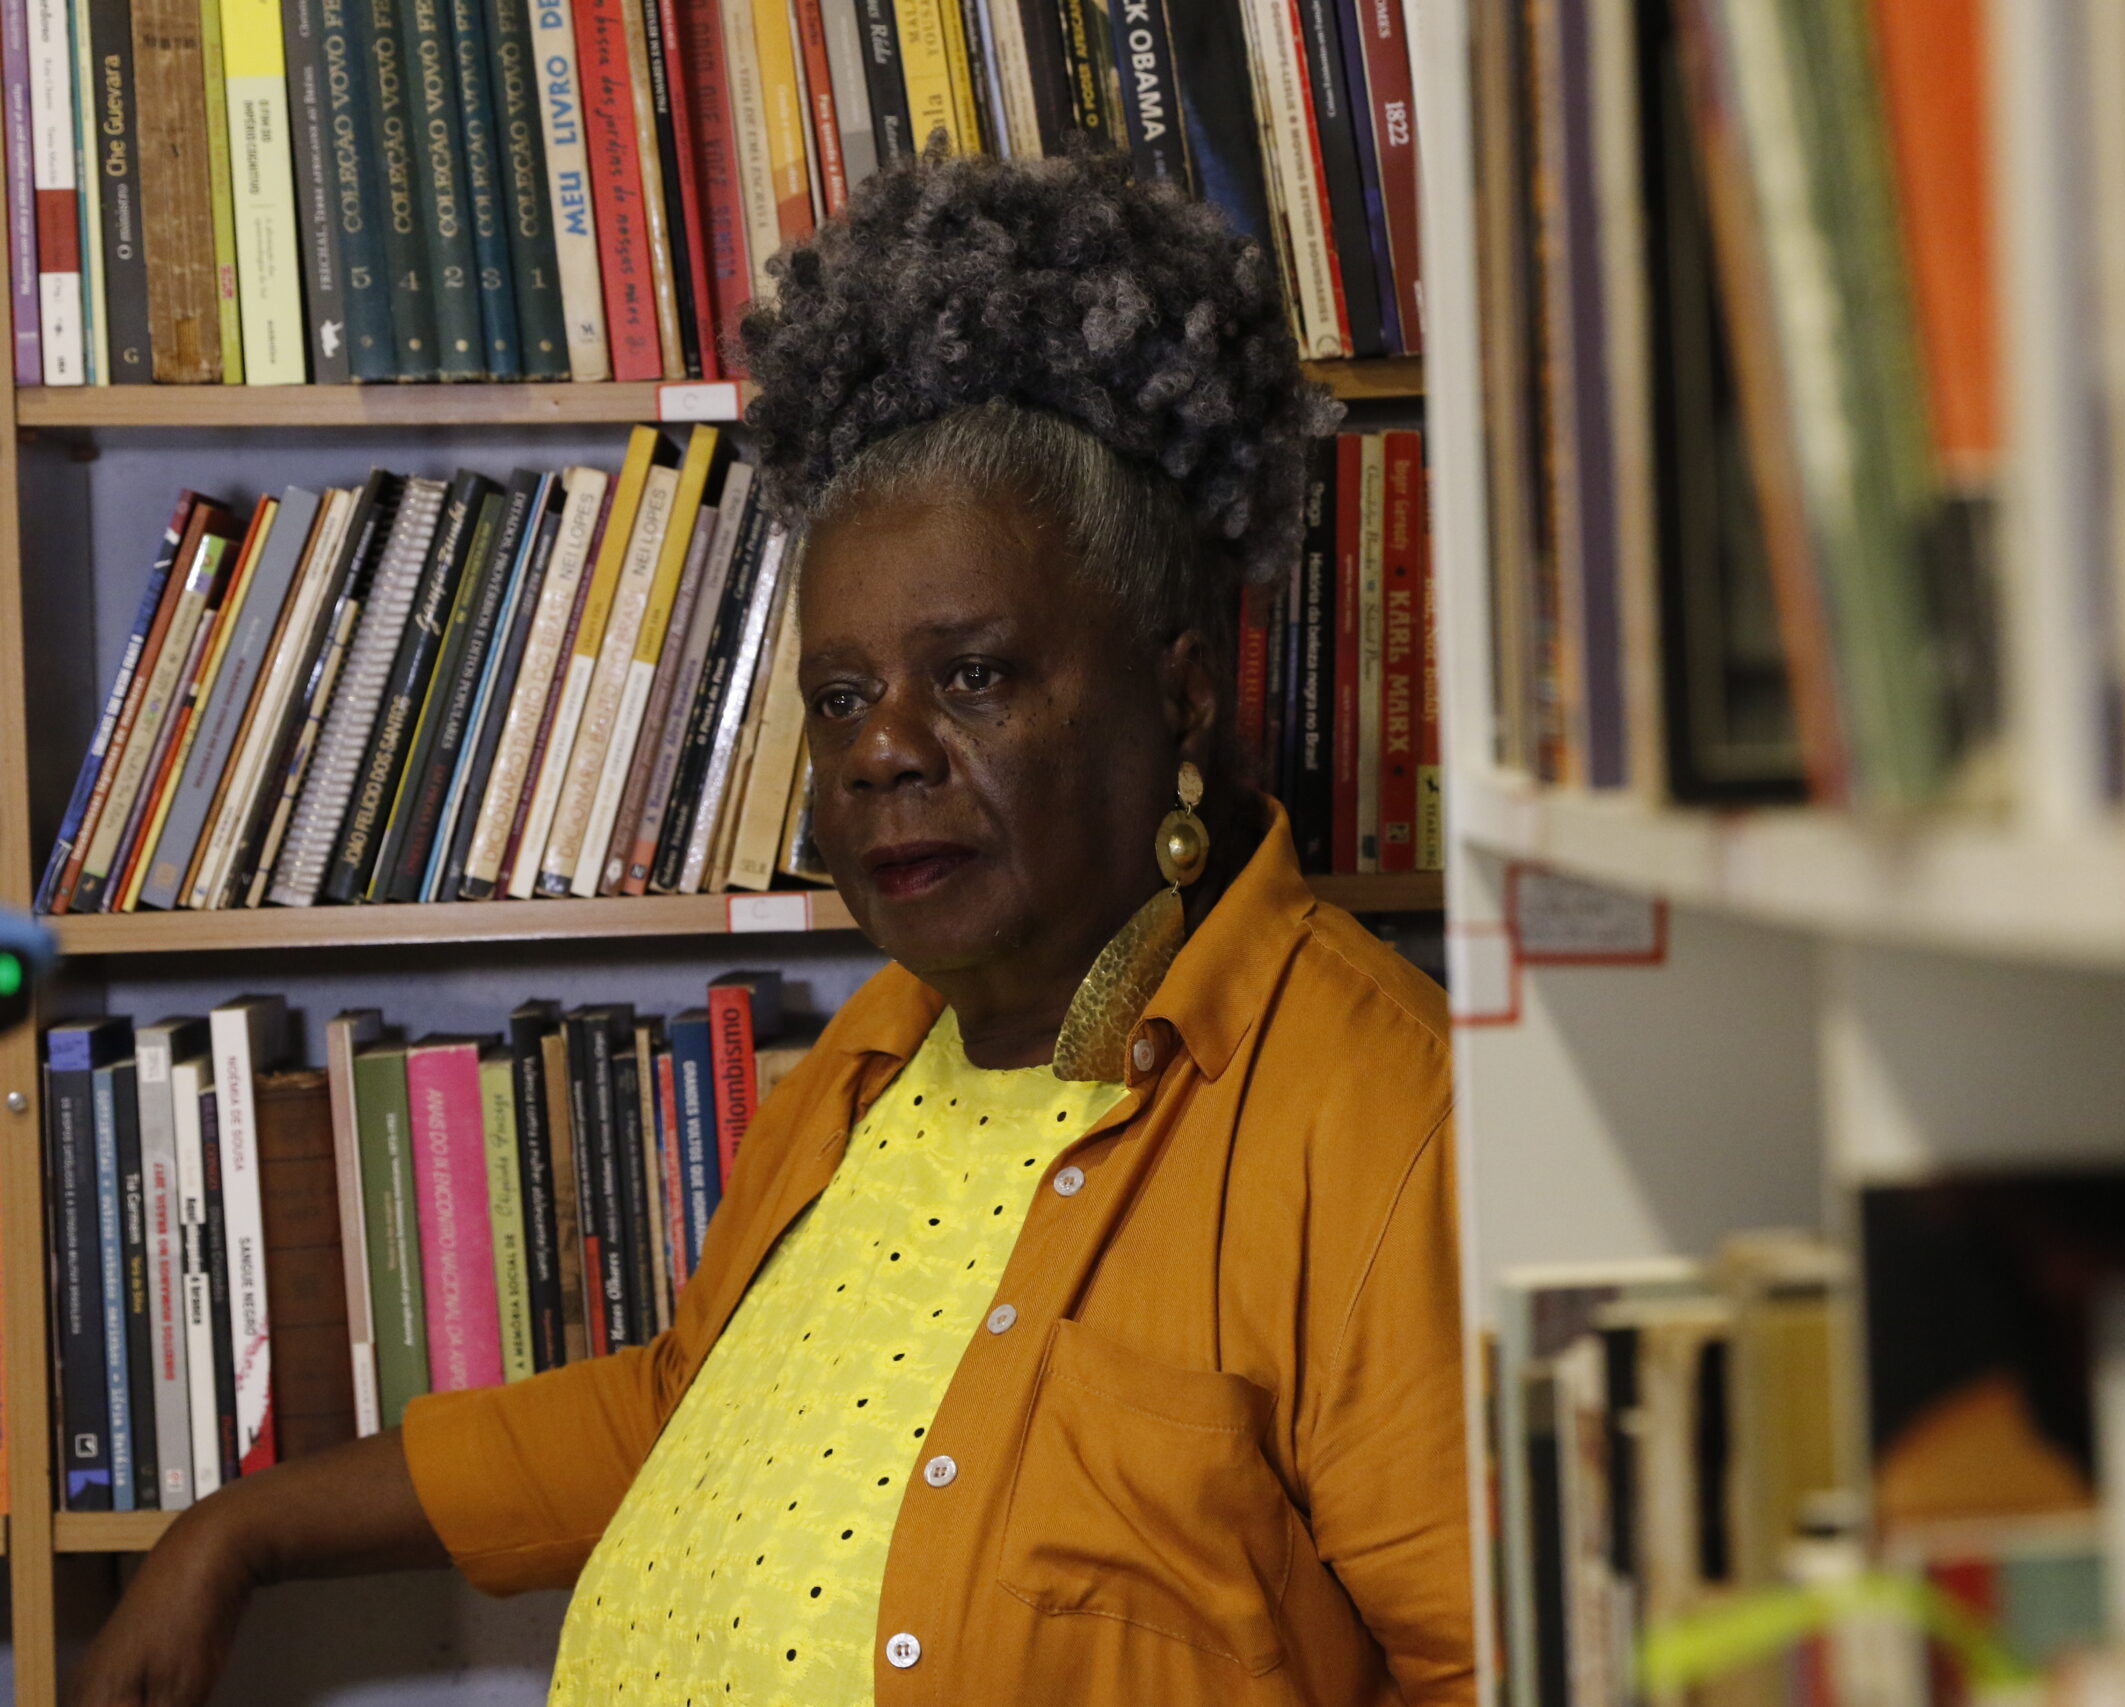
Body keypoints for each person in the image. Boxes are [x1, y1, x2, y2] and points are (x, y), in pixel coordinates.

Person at [75, 152, 1471, 1707]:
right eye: (842, 695)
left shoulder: (1380, 1119)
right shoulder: (869, 1066)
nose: (885, 751)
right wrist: (234, 1533)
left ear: (1181, 695)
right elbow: (685, 1408)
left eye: (976, 675)